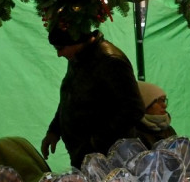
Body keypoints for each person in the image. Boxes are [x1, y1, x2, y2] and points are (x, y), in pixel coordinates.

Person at [41, 27, 145, 168]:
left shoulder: (110, 60)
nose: (59, 54)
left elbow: (134, 108)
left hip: (109, 159)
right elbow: (70, 95)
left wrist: (95, 143)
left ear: (76, 41)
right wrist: (54, 130)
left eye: (61, 48)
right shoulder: (79, 57)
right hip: (85, 155)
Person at [135, 82, 177, 148]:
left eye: (163, 101)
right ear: (145, 103)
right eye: (159, 101)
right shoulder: (134, 134)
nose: (164, 105)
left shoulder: (168, 130)